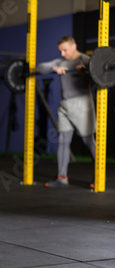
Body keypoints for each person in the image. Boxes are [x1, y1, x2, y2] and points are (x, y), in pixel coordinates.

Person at [36, 35, 96, 188]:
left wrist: (86, 73)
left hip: (82, 103)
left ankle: (99, 176)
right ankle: (62, 178)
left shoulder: (85, 60)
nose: (62, 54)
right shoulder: (60, 62)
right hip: (65, 105)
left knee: (88, 140)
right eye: (60, 51)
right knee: (63, 140)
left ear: (74, 46)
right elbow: (38, 68)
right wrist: (54, 68)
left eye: (65, 50)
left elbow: (100, 77)